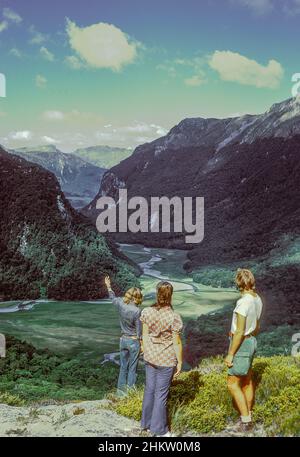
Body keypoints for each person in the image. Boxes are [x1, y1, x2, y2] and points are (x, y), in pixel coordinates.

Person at [140, 281, 183, 437]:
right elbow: (176, 342)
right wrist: (179, 362)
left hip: (150, 357)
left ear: (157, 294)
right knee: (161, 394)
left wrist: (146, 351)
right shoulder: (174, 317)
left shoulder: (147, 312)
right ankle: (160, 430)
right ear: (170, 295)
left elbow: (144, 335)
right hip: (166, 359)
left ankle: (145, 424)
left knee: (149, 390)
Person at [225, 269, 263, 432]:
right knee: (247, 381)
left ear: (238, 283)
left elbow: (240, 331)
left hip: (241, 343)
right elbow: (257, 325)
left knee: (232, 384)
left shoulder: (243, 302)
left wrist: (231, 354)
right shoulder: (257, 299)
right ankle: (248, 415)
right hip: (251, 341)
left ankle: (246, 422)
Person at [104, 275, 143, 395]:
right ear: (137, 298)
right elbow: (139, 331)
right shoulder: (137, 311)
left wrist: (108, 286)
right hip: (133, 341)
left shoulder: (121, 304)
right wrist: (141, 344)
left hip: (123, 340)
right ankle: (130, 394)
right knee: (132, 369)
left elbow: (112, 298)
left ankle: (120, 394)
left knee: (123, 368)